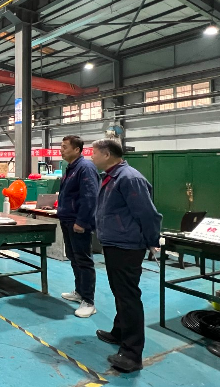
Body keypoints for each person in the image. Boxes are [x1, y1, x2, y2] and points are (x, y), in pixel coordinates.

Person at [90, 138, 162, 374]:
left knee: (128, 296)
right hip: (114, 242)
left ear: (107, 154)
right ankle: (119, 332)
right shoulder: (111, 176)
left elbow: (148, 214)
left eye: (94, 153)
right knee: (120, 292)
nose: (92, 157)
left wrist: (152, 240)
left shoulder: (129, 178)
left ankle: (132, 354)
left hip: (127, 246)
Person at [57, 135, 100, 318]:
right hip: (68, 220)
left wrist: (82, 222)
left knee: (83, 260)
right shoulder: (71, 167)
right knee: (73, 257)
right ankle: (80, 292)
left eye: (65, 147)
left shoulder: (85, 167)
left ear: (77, 150)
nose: (61, 149)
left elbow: (90, 197)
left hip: (78, 222)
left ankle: (89, 301)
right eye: (61, 146)